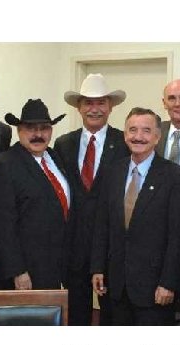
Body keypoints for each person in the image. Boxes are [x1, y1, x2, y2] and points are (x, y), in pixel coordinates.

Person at [91, 108, 180, 325]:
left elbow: (179, 238)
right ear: (124, 135)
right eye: (133, 130)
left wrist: (169, 283)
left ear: (157, 137)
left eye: (146, 131)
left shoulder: (175, 177)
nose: (138, 137)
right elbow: (102, 224)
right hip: (115, 286)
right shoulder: (112, 171)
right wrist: (98, 267)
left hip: (154, 289)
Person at [54, 74, 129, 325]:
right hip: (73, 246)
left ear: (110, 106)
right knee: (75, 314)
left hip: (111, 248)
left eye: (101, 103)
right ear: (79, 107)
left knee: (112, 315)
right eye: (88, 102)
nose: (94, 109)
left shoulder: (125, 144)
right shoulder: (63, 144)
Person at [0, 99, 71, 290]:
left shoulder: (55, 157)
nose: (38, 134)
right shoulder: (4, 165)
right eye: (31, 128)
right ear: (19, 130)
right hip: (27, 271)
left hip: (57, 265)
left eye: (44, 128)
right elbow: (1, 226)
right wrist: (17, 271)